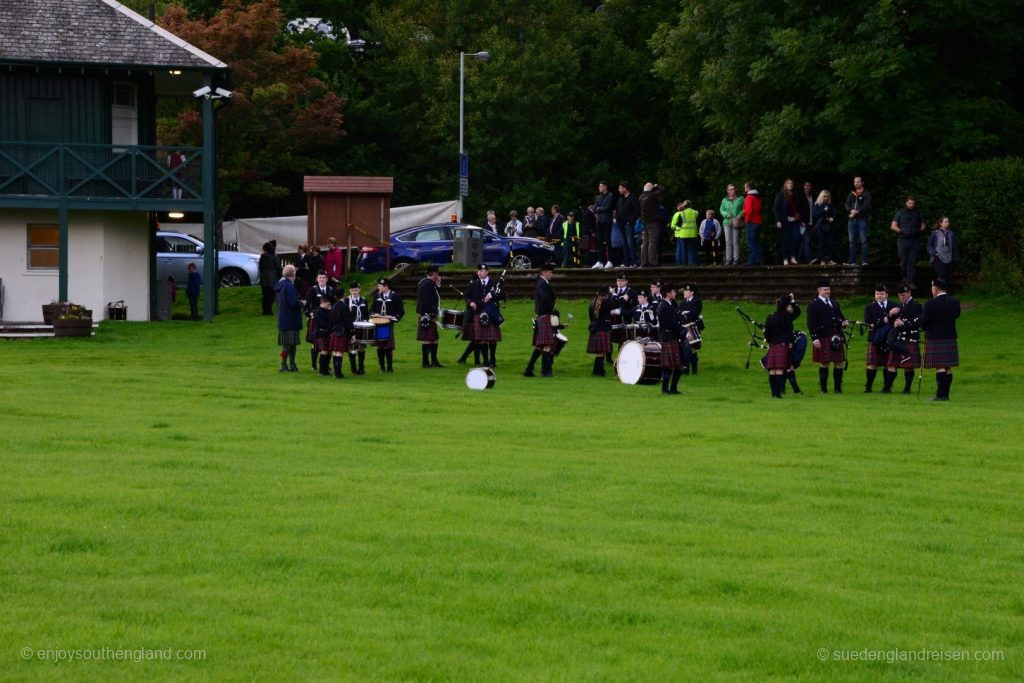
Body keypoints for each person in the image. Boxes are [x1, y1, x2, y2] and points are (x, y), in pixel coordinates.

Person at [919, 277, 960, 401]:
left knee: (940, 366)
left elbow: (923, 321)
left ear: (935, 289)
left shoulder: (930, 303)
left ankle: (940, 395)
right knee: (948, 367)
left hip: (935, 337)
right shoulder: (954, 302)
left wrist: (926, 327)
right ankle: (946, 395)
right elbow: (956, 315)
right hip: (950, 336)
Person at [807, 278, 850, 393]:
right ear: (819, 290)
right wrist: (815, 338)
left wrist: (844, 322)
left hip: (836, 335)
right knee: (824, 363)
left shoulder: (834, 303)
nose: (827, 292)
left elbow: (840, 317)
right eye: (825, 289)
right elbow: (811, 323)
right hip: (823, 336)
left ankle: (837, 389)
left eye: (829, 289)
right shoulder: (813, 304)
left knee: (839, 362)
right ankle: (823, 389)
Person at [884, 284, 922, 394]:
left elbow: (918, 321)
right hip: (898, 339)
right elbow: (892, 322)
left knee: (908, 366)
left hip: (910, 338)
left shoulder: (916, 305)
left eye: (904, 295)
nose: (902, 297)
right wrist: (891, 314)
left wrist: (904, 323)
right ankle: (887, 388)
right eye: (900, 295)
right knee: (891, 364)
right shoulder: (899, 305)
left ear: (909, 293)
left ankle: (907, 389)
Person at [465, 264, 505, 367]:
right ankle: (486, 361)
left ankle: (492, 359)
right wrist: (471, 303)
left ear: (487, 272)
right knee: (482, 339)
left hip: (491, 312)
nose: (479, 272)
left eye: (482, 271)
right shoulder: (473, 284)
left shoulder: (494, 283)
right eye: (478, 271)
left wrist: (491, 295)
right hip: (479, 312)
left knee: (492, 339)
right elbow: (467, 296)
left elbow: (503, 295)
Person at [763, 293, 801, 398]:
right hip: (783, 345)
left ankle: (773, 394)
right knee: (779, 369)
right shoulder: (787, 316)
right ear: (786, 306)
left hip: (773, 344)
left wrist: (771, 341)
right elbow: (798, 312)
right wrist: (792, 301)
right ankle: (778, 393)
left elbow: (766, 333)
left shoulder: (770, 317)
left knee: (772, 369)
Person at [862, 284, 899, 392]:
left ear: (887, 294)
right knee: (872, 363)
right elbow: (868, 321)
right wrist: (884, 319)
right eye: (877, 294)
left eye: (882, 294)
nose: (879, 296)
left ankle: (887, 388)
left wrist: (889, 317)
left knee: (889, 363)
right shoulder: (870, 307)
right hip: (875, 338)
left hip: (890, 338)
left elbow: (897, 321)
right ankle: (868, 387)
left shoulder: (894, 305)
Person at [524, 262, 558, 377]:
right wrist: (551, 310)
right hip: (545, 315)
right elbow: (545, 299)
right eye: (550, 272)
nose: (551, 274)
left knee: (540, 345)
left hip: (542, 316)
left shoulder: (542, 282)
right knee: (547, 345)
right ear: (544, 273)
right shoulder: (543, 283)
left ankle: (528, 369)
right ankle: (545, 371)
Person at [891, 195, 926, 286]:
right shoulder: (900, 213)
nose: (911, 205)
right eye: (910, 203)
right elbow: (893, 226)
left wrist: (919, 231)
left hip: (914, 240)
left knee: (912, 261)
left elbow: (923, 225)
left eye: (913, 204)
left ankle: (911, 282)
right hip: (903, 240)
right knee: (903, 261)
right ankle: (904, 279)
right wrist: (901, 231)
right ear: (906, 203)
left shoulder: (918, 213)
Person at [656, 283, 685, 394]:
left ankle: (673, 389)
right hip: (668, 338)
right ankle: (665, 389)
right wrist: (683, 332)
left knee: (679, 365)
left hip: (672, 337)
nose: (675, 293)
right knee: (668, 366)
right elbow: (672, 323)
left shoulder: (669, 305)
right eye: (673, 292)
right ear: (668, 294)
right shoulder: (664, 306)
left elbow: (675, 319)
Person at [371, 277, 404, 373]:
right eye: (378, 286)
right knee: (380, 346)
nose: (378, 288)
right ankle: (381, 366)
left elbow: (401, 311)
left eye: (380, 286)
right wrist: (374, 314)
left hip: (388, 324)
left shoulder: (395, 296)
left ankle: (389, 367)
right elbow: (372, 309)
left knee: (388, 347)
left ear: (386, 286)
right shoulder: (376, 296)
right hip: (377, 324)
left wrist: (393, 317)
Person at [274, 264, 302, 372]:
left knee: (285, 344)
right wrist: (301, 303)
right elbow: (293, 303)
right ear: (293, 274)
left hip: (282, 317)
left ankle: (283, 364)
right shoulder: (289, 286)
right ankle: (291, 364)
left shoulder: (280, 285)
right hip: (291, 318)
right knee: (291, 344)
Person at [304, 272, 334, 370]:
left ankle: (326, 364)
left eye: (323, 277)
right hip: (315, 320)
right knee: (315, 343)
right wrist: (310, 314)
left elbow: (333, 304)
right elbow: (306, 306)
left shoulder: (330, 290)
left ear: (326, 279)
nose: (321, 279)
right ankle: (314, 364)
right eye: (320, 277)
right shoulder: (312, 290)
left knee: (328, 343)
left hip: (328, 320)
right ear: (317, 279)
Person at [416, 265, 444, 369]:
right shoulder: (426, 284)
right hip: (427, 315)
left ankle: (434, 361)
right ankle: (426, 362)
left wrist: (438, 284)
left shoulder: (428, 283)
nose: (438, 275)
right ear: (435, 274)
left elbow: (434, 296)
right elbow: (423, 301)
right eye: (437, 274)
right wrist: (425, 315)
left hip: (430, 314)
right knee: (428, 340)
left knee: (434, 339)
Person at [844, 176, 872, 266]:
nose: (856, 183)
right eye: (855, 182)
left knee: (863, 240)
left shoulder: (866, 194)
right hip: (852, 220)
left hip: (862, 220)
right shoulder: (852, 194)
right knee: (852, 241)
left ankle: (864, 261)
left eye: (858, 182)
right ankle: (852, 261)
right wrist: (850, 211)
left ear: (862, 182)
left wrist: (857, 211)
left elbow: (866, 206)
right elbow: (846, 204)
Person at [773, 178, 802, 265]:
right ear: (785, 185)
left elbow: (799, 208)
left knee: (796, 238)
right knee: (785, 240)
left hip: (794, 221)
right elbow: (776, 208)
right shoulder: (781, 195)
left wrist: (800, 218)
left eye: (791, 183)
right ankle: (785, 258)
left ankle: (793, 257)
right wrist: (778, 220)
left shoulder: (795, 195)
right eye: (788, 183)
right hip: (785, 222)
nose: (790, 185)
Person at [344, 280, 369, 375]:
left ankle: (361, 368)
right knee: (352, 346)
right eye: (352, 290)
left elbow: (366, 313)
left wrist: (366, 320)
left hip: (362, 326)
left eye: (356, 290)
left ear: (359, 290)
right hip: (352, 326)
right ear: (350, 291)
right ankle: (353, 368)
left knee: (361, 346)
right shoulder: (347, 301)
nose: (354, 292)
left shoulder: (363, 300)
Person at [587, 287, 613, 376]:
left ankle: (597, 371)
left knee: (599, 352)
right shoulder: (606, 302)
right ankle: (599, 371)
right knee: (602, 352)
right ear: (606, 294)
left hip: (595, 328)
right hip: (603, 328)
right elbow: (615, 304)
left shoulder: (593, 303)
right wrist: (613, 294)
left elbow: (591, 317)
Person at [639, 182, 667, 267]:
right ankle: (653, 261)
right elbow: (663, 190)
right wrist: (657, 186)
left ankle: (644, 262)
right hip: (653, 222)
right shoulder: (652, 196)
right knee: (652, 242)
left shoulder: (641, 197)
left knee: (645, 243)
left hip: (645, 222)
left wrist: (652, 189)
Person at [678, 283, 703, 375]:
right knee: (687, 348)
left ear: (692, 292)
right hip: (684, 327)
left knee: (693, 347)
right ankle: (687, 369)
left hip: (693, 327)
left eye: (686, 291)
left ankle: (693, 370)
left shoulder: (696, 302)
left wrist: (684, 314)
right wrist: (685, 314)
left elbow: (694, 315)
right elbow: (678, 313)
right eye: (684, 291)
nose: (684, 292)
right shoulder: (683, 302)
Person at [328, 292, 352, 379]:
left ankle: (336, 373)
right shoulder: (345, 306)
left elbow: (330, 320)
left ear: (335, 297)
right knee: (339, 353)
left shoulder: (333, 306)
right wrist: (352, 331)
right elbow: (347, 320)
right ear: (344, 296)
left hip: (334, 330)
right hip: (342, 331)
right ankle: (338, 374)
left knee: (334, 352)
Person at [927, 216, 957, 286]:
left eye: (948, 222)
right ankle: (942, 293)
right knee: (941, 275)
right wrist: (934, 253)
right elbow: (929, 245)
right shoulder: (935, 233)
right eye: (945, 222)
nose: (947, 223)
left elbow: (954, 247)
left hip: (949, 257)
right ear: (940, 223)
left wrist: (955, 257)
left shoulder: (951, 234)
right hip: (938, 257)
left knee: (947, 276)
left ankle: (946, 293)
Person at [719, 184, 744, 265]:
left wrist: (740, 215)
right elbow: (721, 210)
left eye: (733, 189)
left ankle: (736, 258)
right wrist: (726, 214)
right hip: (727, 222)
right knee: (728, 241)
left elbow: (744, 209)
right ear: (727, 191)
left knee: (735, 241)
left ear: (735, 190)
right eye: (730, 189)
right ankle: (728, 259)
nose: (732, 190)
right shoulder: (724, 200)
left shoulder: (740, 199)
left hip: (736, 222)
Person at [593, 181, 615, 269]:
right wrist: (600, 208)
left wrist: (599, 208)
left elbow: (607, 208)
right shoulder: (598, 197)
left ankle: (610, 260)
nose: (599, 188)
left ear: (605, 187)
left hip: (607, 221)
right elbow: (594, 208)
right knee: (599, 242)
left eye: (601, 186)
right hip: (599, 221)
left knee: (608, 241)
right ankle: (600, 261)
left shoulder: (610, 196)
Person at [811, 190, 837, 265]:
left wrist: (833, 217)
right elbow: (815, 214)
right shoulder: (817, 204)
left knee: (831, 243)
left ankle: (830, 260)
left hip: (829, 226)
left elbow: (834, 212)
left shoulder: (830, 204)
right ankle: (822, 260)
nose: (826, 198)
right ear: (821, 196)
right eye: (824, 196)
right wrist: (823, 210)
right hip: (820, 226)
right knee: (821, 243)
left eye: (827, 196)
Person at [617, 181, 640, 267]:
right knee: (624, 243)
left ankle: (634, 261)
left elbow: (636, 210)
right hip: (621, 223)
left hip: (628, 224)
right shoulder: (620, 198)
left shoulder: (633, 197)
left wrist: (630, 221)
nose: (619, 190)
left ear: (625, 188)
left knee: (630, 242)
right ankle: (626, 261)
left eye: (620, 188)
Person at [671, 201, 699, 266]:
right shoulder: (695, 212)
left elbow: (677, 224)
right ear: (691, 205)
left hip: (683, 234)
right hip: (693, 233)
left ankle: (684, 263)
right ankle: (692, 263)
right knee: (691, 249)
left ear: (684, 206)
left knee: (684, 249)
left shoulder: (682, 213)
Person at [743, 181, 763, 265]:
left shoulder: (749, 197)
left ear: (748, 188)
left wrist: (747, 219)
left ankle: (753, 260)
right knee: (756, 241)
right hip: (758, 221)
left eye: (745, 187)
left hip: (751, 221)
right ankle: (759, 259)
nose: (744, 189)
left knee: (750, 241)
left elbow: (749, 211)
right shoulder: (757, 197)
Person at [313, 294, 334, 376]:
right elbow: (322, 323)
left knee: (328, 351)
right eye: (328, 304)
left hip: (327, 333)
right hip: (321, 334)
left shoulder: (327, 311)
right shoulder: (318, 311)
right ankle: (322, 371)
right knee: (324, 351)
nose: (329, 306)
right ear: (323, 303)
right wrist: (331, 326)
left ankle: (326, 369)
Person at [258, 241, 281, 315]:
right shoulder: (275, 257)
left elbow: (260, 267)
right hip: (272, 278)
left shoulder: (262, 257)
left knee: (265, 295)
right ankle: (269, 310)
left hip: (264, 278)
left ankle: (265, 310)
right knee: (271, 295)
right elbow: (278, 268)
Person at [798, 181, 815, 264]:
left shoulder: (813, 197)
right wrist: (801, 221)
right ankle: (809, 258)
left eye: (809, 186)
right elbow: (799, 210)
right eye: (806, 185)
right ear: (804, 186)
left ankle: (799, 259)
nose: (808, 187)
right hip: (804, 223)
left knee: (804, 242)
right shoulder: (800, 197)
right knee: (807, 240)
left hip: (811, 222)